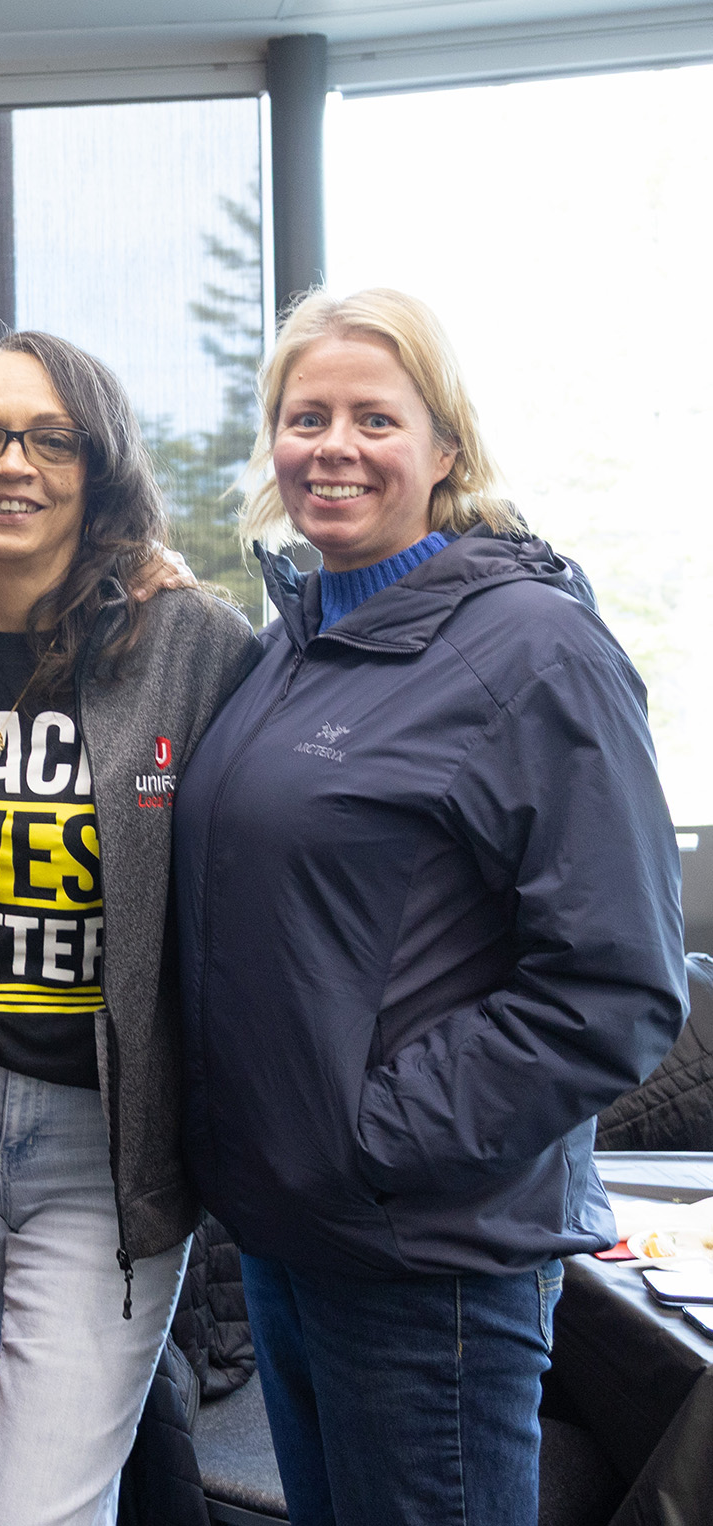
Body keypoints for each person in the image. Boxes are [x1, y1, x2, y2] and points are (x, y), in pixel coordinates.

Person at [172, 288, 686, 1526]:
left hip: (425, 1258)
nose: (332, 447)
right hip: (293, 1233)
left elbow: (615, 985)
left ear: (447, 446)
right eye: (305, 417)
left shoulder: (536, 651)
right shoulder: (294, 643)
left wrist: (375, 1137)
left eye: (375, 418)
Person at [0, 330, 255, 1526]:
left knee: (38, 1505)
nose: (11, 462)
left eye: (49, 437)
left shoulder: (191, 642)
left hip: (107, 1140)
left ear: (97, 462)